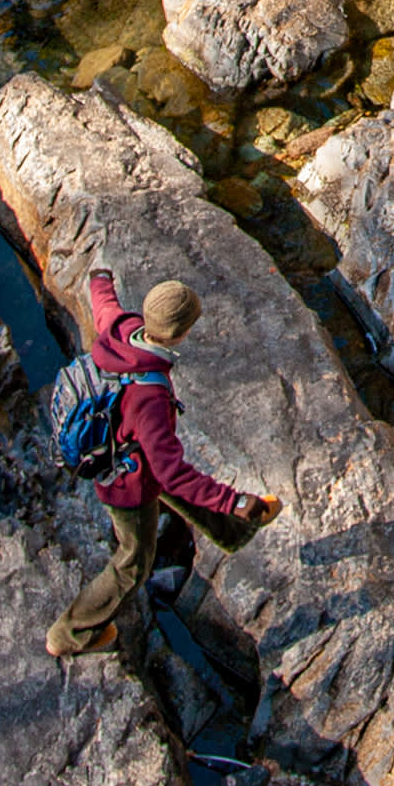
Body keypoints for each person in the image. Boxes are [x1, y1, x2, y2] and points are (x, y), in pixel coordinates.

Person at [46, 269, 275, 659]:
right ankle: (71, 634)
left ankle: (234, 531)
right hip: (125, 485)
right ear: (179, 333)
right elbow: (171, 472)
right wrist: (233, 500)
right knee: (134, 563)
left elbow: (104, 306)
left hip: (134, 455)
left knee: (170, 481)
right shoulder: (149, 395)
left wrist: (100, 278)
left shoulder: (124, 330)